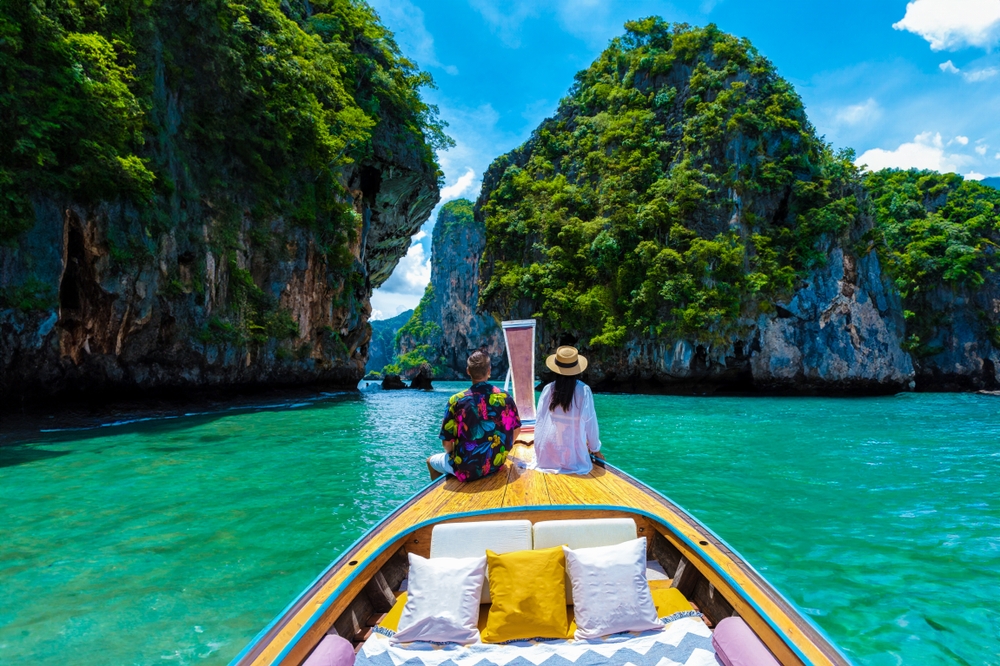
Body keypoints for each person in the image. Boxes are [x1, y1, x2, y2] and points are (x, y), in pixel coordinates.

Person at [427, 350, 521, 482]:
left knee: (430, 461)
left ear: (468, 371)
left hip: (466, 469)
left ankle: (440, 497)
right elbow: (516, 430)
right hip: (496, 464)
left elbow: (447, 443)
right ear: (489, 371)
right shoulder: (505, 397)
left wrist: (454, 457)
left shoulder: (456, 401)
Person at [531, 346, 604, 475]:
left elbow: (540, 424)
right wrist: (595, 449)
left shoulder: (548, 389)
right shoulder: (584, 391)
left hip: (546, 458)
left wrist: (539, 454)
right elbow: (590, 424)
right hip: (575, 461)